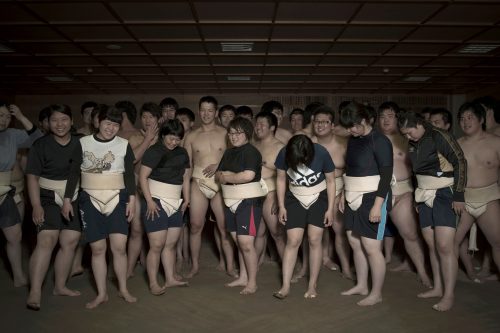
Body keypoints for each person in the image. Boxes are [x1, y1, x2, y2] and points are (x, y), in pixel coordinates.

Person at [62, 107, 137, 309]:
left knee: (119, 247)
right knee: (97, 249)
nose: (110, 128)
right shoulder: (83, 143)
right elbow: (73, 173)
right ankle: (102, 293)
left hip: (117, 198)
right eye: (107, 123)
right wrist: (68, 199)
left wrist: (132, 199)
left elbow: (129, 174)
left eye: (115, 125)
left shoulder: (124, 145)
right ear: (97, 122)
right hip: (90, 199)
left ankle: (123, 288)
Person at [398, 110, 466, 312]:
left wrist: (459, 195)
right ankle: (437, 287)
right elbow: (415, 171)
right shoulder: (412, 141)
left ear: (419, 124)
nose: (407, 138)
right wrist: (417, 199)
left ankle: (449, 294)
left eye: (410, 132)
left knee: (445, 246)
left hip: (446, 192)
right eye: (405, 135)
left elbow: (460, 162)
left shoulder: (439, 135)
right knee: (431, 245)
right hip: (423, 193)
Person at [25, 104, 82, 311]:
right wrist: (36, 205)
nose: (60, 124)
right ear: (48, 123)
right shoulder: (40, 145)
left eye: (64, 119)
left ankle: (60, 286)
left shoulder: (79, 143)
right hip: (46, 196)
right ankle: (35, 290)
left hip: (73, 195)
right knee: (47, 239)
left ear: (72, 121)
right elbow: (32, 177)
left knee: (70, 240)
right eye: (55, 120)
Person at [339, 102, 393, 307]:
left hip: (373, 196)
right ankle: (362, 285)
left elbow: (386, 176)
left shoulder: (380, 141)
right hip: (352, 194)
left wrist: (378, 205)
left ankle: (376, 293)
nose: (351, 130)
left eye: (353, 126)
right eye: (348, 127)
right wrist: (342, 194)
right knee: (354, 241)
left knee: (371, 246)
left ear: (363, 121)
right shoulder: (353, 139)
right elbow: (350, 168)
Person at [273, 134, 336, 299]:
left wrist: (330, 209)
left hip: (318, 197)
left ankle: (312, 285)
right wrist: (281, 206)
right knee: (293, 240)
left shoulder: (321, 152)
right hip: (294, 197)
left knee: (315, 240)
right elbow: (280, 179)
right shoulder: (283, 153)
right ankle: (285, 286)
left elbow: (330, 180)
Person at [377, 102, 431, 287]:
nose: (386, 120)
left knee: (410, 233)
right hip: (379, 192)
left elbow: (420, 167)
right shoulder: (372, 139)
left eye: (390, 116)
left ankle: (422, 272)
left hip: (404, 190)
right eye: (382, 116)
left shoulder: (407, 139)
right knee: (372, 238)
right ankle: (372, 276)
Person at [183, 96, 235, 278]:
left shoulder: (225, 133)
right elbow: (186, 167)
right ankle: (195, 266)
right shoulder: (191, 136)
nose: (206, 114)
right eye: (203, 110)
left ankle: (229, 266)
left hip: (220, 183)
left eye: (210, 110)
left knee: (224, 227)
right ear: (199, 111)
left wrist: (219, 165)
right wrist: (186, 194)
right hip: (198, 182)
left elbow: (234, 157)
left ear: (216, 112)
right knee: (196, 225)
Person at [139, 119, 190, 295]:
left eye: (177, 139)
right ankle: (153, 283)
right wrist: (150, 201)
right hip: (156, 201)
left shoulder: (182, 152)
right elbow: (143, 177)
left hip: (176, 202)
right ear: (163, 135)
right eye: (170, 138)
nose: (173, 142)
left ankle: (170, 279)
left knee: (170, 244)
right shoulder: (154, 151)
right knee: (156, 245)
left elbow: (185, 178)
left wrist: (187, 199)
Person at [216, 117, 266, 294]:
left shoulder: (251, 152)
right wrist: (227, 175)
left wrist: (228, 176)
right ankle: (243, 277)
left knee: (246, 242)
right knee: (238, 241)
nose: (233, 136)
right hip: (231, 200)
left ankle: (252, 282)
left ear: (247, 134)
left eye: (237, 133)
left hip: (249, 201)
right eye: (230, 133)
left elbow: (248, 176)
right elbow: (218, 174)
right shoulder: (229, 153)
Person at [455, 102, 500, 282]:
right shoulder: (457, 144)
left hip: (488, 198)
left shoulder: (496, 142)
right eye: (462, 118)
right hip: (463, 199)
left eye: (470, 117)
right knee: (449, 243)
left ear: (481, 119)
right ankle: (448, 287)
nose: (465, 122)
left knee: (498, 243)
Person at [1, 102, 41, 288]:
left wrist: (21, 117)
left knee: (14, 235)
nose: (4, 120)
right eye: (1, 116)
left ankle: (18, 276)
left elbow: (38, 138)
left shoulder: (12, 135)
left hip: (5, 190)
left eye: (8, 117)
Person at [312, 105, 352, 279]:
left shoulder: (343, 143)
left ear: (332, 124)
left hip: (338, 188)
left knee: (338, 229)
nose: (320, 125)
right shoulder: (308, 143)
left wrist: (344, 192)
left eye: (325, 122)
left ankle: (346, 267)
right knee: (314, 231)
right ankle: (317, 263)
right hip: (313, 190)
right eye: (317, 121)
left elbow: (353, 169)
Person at [126, 102, 160, 278]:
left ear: (159, 119)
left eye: (151, 117)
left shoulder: (165, 137)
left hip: (158, 190)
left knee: (156, 233)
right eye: (144, 117)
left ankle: (156, 268)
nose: (147, 120)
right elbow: (131, 160)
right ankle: (130, 268)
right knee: (136, 230)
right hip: (138, 188)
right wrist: (147, 139)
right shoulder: (134, 138)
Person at [253, 111, 286, 260]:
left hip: (272, 193)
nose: (258, 127)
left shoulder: (280, 148)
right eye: (257, 124)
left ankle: (288, 270)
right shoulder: (254, 145)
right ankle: (253, 268)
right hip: (254, 193)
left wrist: (281, 200)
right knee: (257, 233)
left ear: (272, 127)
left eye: (262, 124)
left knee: (277, 234)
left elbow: (288, 176)